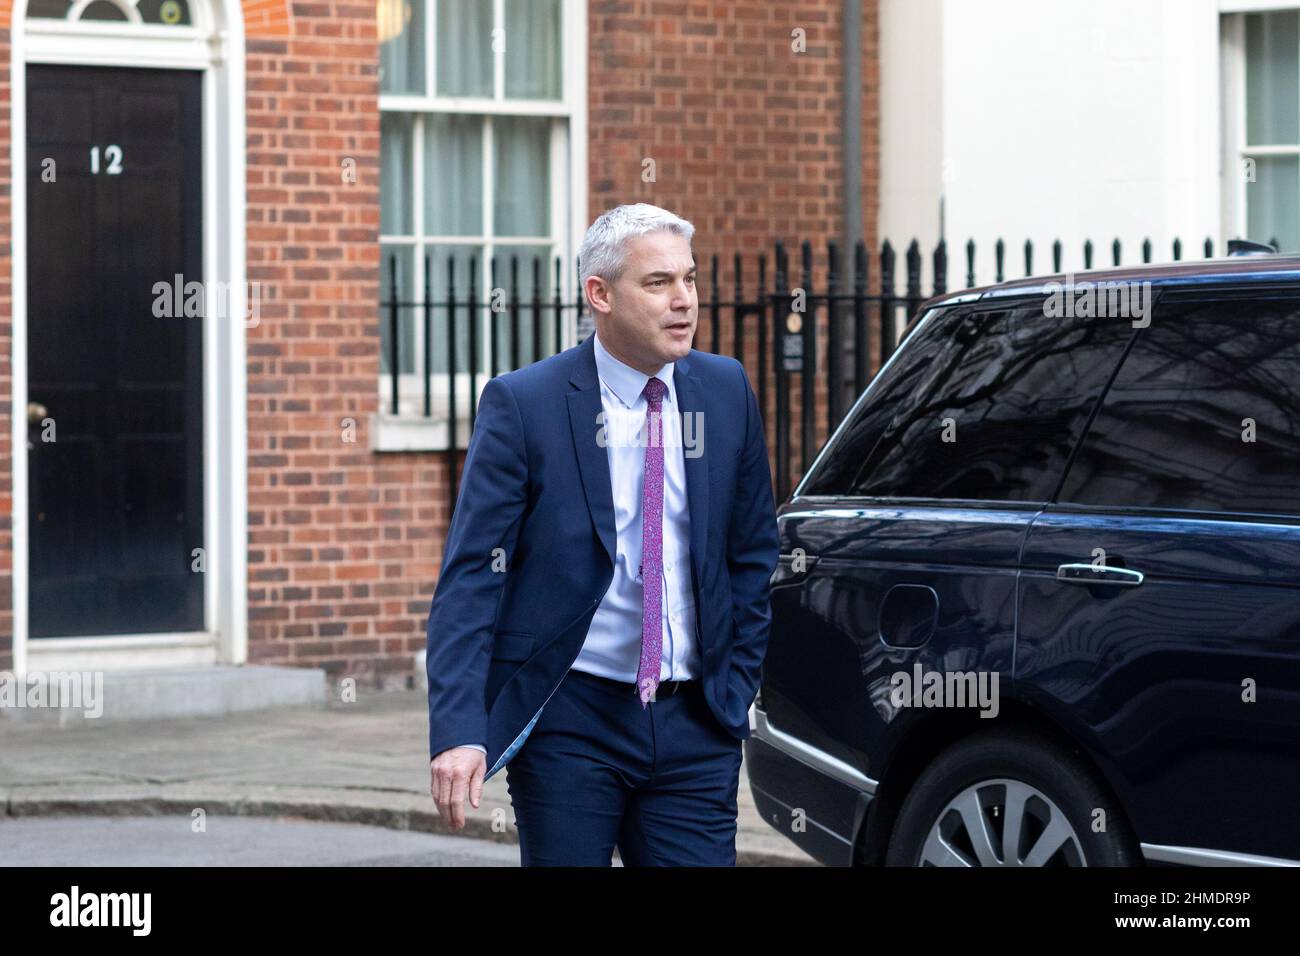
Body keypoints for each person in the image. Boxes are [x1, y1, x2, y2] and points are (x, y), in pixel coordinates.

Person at [425, 202, 779, 866]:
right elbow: (474, 575)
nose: (684, 301)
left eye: (691, 281)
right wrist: (458, 731)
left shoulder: (725, 390)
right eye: (658, 283)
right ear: (600, 295)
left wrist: (736, 681)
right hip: (572, 720)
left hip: (696, 722)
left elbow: (753, 552)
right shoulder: (526, 405)